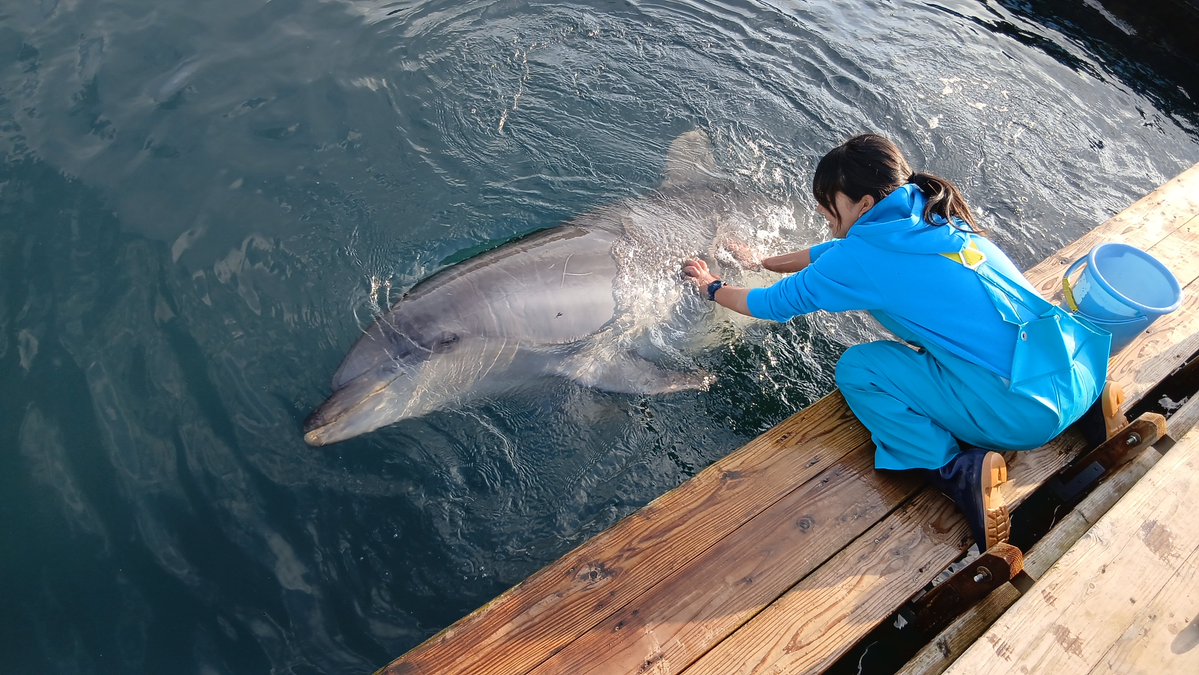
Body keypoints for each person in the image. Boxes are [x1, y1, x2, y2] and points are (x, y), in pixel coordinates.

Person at [682, 133, 1112, 551]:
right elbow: (829, 253)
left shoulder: (861, 257)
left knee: (859, 369)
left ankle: (954, 470)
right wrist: (757, 261)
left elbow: (771, 305)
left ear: (864, 204)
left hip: (1022, 415)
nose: (824, 216)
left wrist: (712, 286)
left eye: (830, 207)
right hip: (1081, 369)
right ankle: (1089, 410)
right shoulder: (935, 214)